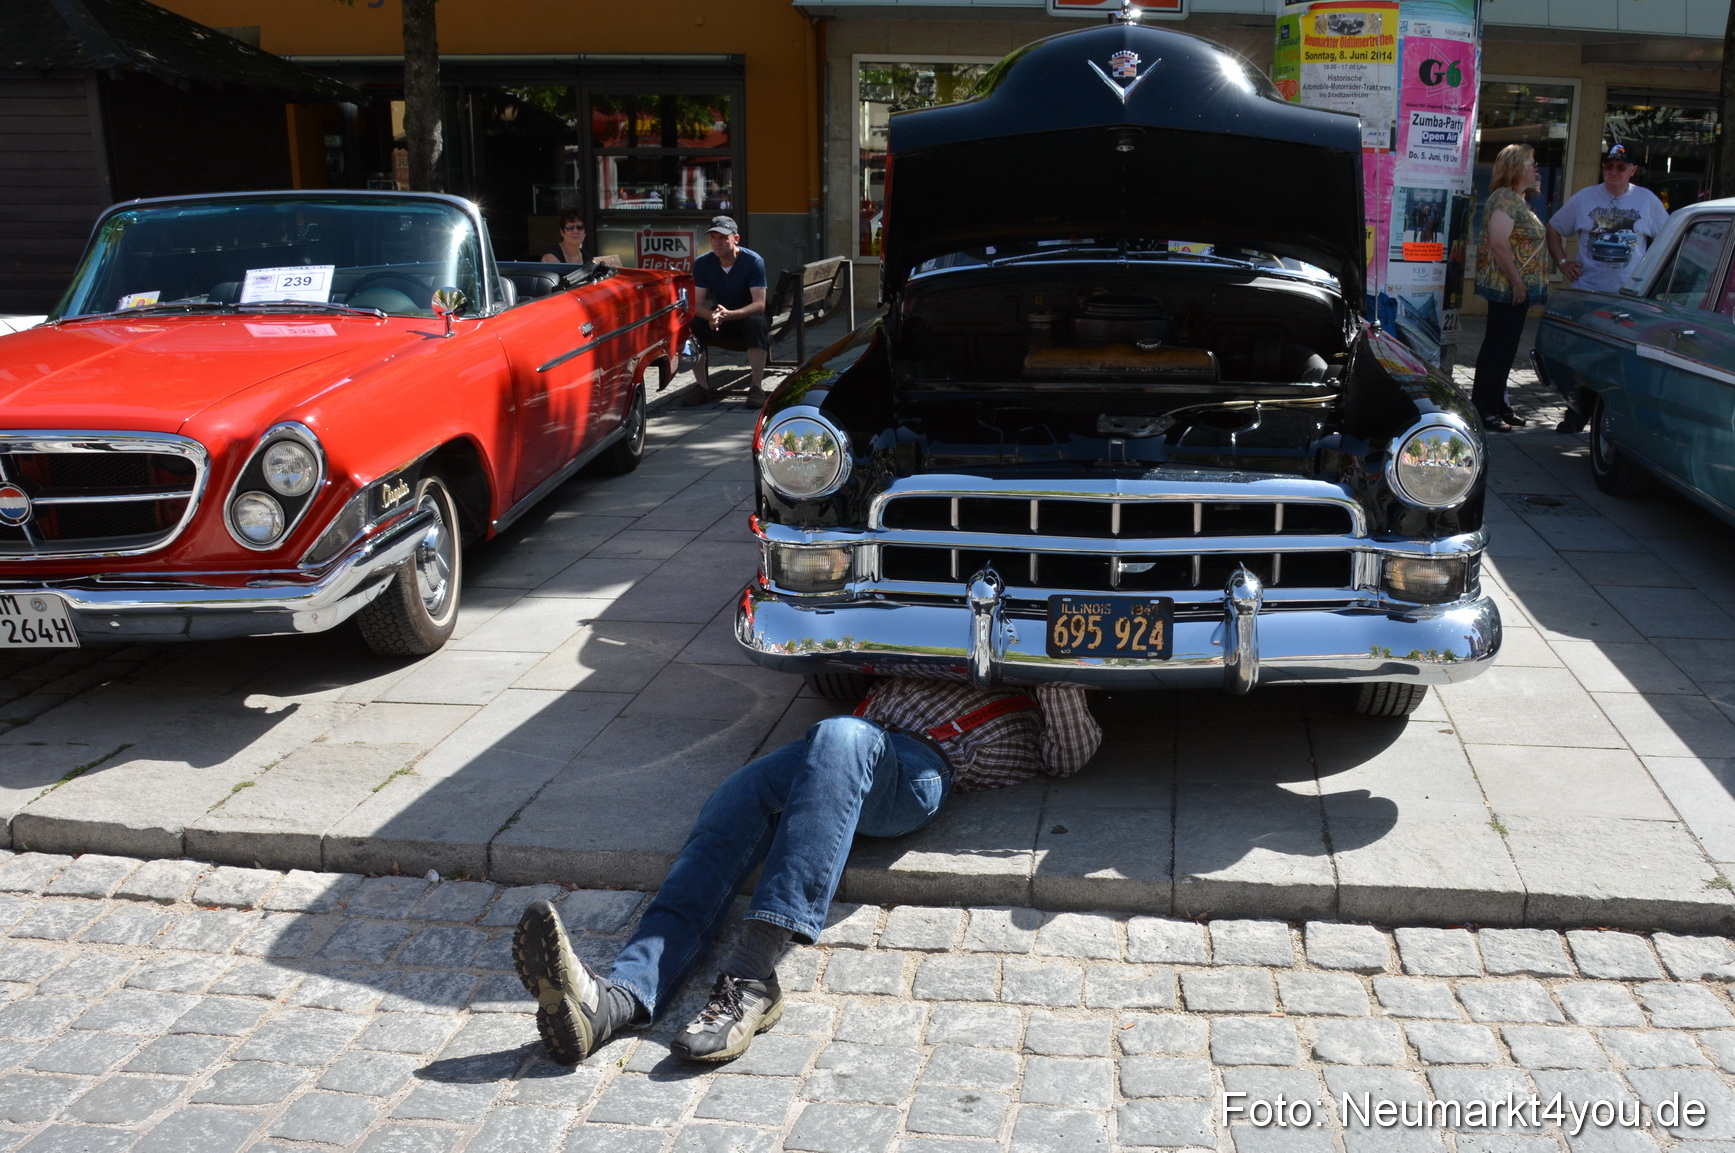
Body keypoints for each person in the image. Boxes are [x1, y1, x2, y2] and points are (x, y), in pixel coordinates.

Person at [511, 676, 1101, 1064]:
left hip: (917, 768)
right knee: (732, 804)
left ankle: (751, 977)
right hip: (833, 752)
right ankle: (618, 1001)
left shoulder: (1031, 693)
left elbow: (1070, 756)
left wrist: (1054, 671)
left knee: (846, 735)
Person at [1544, 145, 1669, 433]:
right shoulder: (1585, 198)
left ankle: (1615, 415)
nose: (1613, 172)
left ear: (1633, 171)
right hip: (1589, 293)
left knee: (1619, 359)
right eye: (1609, 166)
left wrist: (1654, 278)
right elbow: (1554, 228)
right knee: (1583, 356)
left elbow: (1667, 240)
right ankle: (1577, 411)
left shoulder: (1647, 201)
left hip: (1629, 297)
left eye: (1621, 167)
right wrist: (1562, 262)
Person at [1471, 144, 1549, 433]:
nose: (1535, 169)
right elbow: (1499, 242)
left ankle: (1499, 404)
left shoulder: (1517, 198)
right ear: (1516, 167)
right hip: (1506, 288)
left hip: (1516, 289)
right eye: (1531, 164)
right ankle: (1484, 408)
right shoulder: (1505, 198)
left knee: (1506, 348)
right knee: (1497, 347)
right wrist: (1517, 281)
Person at [687, 215, 771, 402]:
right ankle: (702, 387)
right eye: (713, 238)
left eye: (723, 237)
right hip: (721, 316)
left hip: (747, 315)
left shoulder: (753, 261)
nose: (717, 243)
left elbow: (759, 305)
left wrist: (729, 315)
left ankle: (756, 388)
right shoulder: (703, 263)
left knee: (756, 324)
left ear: (736, 238)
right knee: (693, 324)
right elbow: (696, 304)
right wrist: (711, 315)